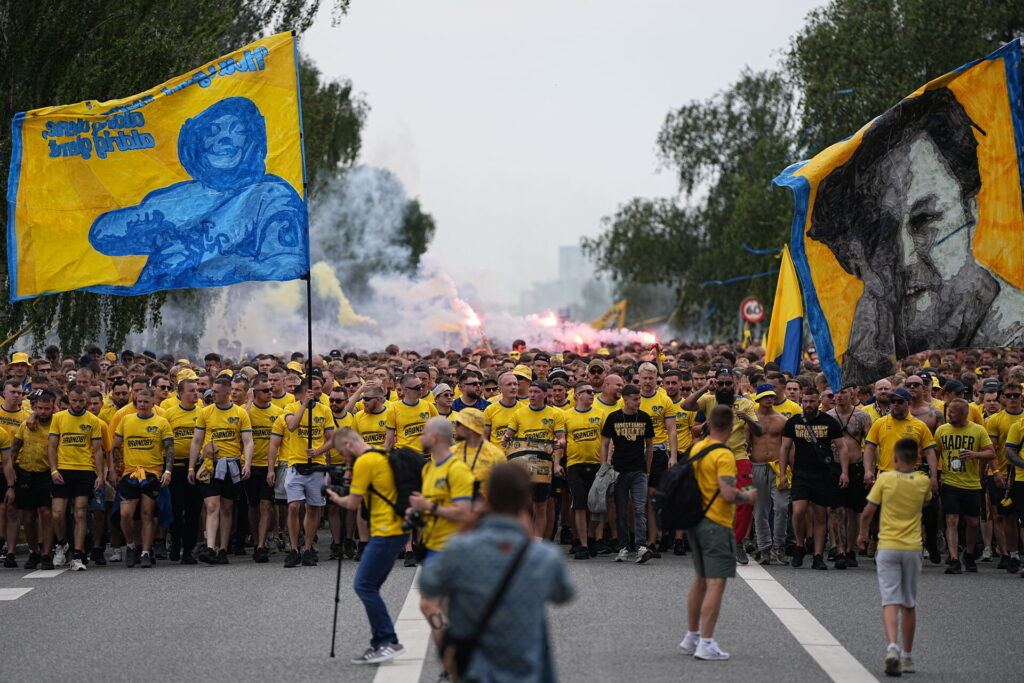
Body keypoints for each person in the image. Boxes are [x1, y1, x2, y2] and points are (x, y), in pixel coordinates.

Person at [418, 463, 575, 682]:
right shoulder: (542, 556)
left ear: (488, 496)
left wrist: (466, 529)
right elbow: (564, 593)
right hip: (527, 670)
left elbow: (428, 583)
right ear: (526, 499)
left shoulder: (461, 548)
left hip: (475, 670)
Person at [327, 427, 410, 665]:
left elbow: (353, 503)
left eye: (343, 454)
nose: (344, 459)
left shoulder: (364, 462)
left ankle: (388, 641)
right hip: (397, 530)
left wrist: (334, 496)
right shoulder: (379, 455)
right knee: (370, 585)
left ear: (349, 446)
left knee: (364, 585)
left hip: (386, 531)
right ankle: (379, 643)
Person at [680, 405, 757, 661]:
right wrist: (748, 496)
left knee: (700, 579)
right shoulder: (723, 455)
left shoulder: (697, 448)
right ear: (732, 427)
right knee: (716, 583)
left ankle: (691, 636)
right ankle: (706, 642)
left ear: (709, 424)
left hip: (696, 520)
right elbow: (727, 493)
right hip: (717, 522)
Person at [858, 438, 933, 677]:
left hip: (888, 545)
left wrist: (862, 534)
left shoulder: (885, 479)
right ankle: (908, 657)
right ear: (918, 459)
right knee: (909, 603)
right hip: (912, 547)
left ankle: (892, 647)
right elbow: (926, 502)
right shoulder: (923, 482)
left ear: (895, 458)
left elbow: (868, 511)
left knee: (890, 599)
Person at [683, 368, 761, 559]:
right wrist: (704, 388)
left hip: (740, 458)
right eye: (721, 383)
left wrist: (748, 419)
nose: (725, 387)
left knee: (746, 500)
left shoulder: (745, 403)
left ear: (735, 384)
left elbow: (759, 431)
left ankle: (737, 542)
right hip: (714, 459)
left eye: (728, 383)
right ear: (715, 384)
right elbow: (686, 405)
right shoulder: (709, 400)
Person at [268, 375, 335, 568]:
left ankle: (307, 548)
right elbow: (291, 425)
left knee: (314, 508)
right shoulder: (290, 408)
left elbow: (331, 438)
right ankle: (294, 548)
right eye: (314, 388)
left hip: (317, 465)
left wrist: (318, 450)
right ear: (306, 391)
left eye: (320, 388)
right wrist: (304, 405)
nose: (319, 391)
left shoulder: (324, 410)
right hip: (296, 465)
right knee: (294, 506)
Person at [187, 376, 254, 565]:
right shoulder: (205, 412)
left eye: (216, 392)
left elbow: (248, 441)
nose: (212, 395)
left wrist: (246, 463)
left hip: (231, 465)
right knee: (211, 505)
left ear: (226, 392)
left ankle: (223, 548)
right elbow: (197, 440)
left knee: (227, 507)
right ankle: (210, 547)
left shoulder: (240, 413)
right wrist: (192, 467)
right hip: (209, 464)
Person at [779, 387, 848, 570]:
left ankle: (818, 555)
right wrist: (782, 474)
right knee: (799, 510)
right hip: (801, 473)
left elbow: (842, 447)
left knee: (819, 515)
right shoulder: (793, 422)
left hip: (823, 474)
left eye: (812, 401)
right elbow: (784, 448)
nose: (809, 405)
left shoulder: (829, 422)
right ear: (802, 401)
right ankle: (800, 545)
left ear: (818, 401)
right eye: (806, 401)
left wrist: (844, 471)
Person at [111, 389, 173, 568]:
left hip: (152, 474)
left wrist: (168, 472)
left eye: (146, 401)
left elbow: (169, 449)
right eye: (139, 401)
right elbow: (115, 447)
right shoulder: (126, 420)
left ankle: (146, 551)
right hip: (130, 474)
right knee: (125, 515)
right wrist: (115, 469)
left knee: (147, 514)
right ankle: (131, 545)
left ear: (153, 402)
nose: (142, 404)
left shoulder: (161, 422)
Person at [48, 384, 106, 570]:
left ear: (86, 401)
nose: (78, 404)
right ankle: (62, 543)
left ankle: (79, 554)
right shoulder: (58, 418)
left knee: (81, 512)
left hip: (84, 470)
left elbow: (97, 450)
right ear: (68, 399)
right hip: (63, 470)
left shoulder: (92, 420)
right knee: (57, 514)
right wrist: (54, 470)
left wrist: (99, 475)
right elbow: (52, 446)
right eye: (74, 400)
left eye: (82, 401)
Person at [935, 398, 993, 574]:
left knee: (973, 522)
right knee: (951, 519)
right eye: (948, 411)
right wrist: (933, 477)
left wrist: (975, 454)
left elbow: (991, 452)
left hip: (972, 483)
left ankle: (968, 553)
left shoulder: (978, 430)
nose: (949, 414)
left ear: (963, 414)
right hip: (950, 481)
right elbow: (934, 454)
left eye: (952, 412)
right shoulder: (942, 430)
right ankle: (953, 559)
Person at [503, 381, 566, 537]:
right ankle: (524, 539)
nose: (532, 395)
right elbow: (507, 436)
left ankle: (539, 542)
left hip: (544, 466)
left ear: (545, 394)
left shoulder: (555, 414)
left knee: (541, 506)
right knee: (524, 505)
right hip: (523, 467)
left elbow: (562, 439)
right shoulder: (519, 413)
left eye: (536, 392)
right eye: (530, 392)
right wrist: (505, 439)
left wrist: (559, 443)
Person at [600, 384, 655, 563]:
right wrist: (604, 466)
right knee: (621, 510)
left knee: (639, 509)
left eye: (639, 399)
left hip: (639, 470)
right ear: (625, 399)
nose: (639, 402)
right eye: (635, 399)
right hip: (619, 470)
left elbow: (650, 445)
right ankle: (623, 547)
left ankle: (641, 546)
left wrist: (647, 468)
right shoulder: (614, 417)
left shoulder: (645, 417)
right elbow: (605, 443)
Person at [4, 389, 56, 569]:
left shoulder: (58, 423)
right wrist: (11, 472)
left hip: (47, 474)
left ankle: (47, 554)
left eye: (47, 409)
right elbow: (14, 450)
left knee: (47, 514)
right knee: (27, 517)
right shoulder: (26, 424)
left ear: (53, 408)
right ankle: (34, 551)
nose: (43, 412)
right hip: (26, 472)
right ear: (35, 407)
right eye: (40, 408)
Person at [828, 386, 873, 568]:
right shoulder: (828, 416)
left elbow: (870, 446)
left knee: (853, 512)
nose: (839, 396)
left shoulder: (862, 416)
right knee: (835, 510)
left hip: (856, 466)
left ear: (852, 394)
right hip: (834, 466)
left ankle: (849, 548)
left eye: (843, 392)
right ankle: (838, 548)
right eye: (836, 393)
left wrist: (870, 470)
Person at [563, 380, 606, 559]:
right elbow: (561, 441)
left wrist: (606, 465)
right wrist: (558, 463)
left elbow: (606, 442)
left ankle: (590, 537)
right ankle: (582, 544)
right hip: (574, 465)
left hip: (596, 465)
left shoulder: (601, 414)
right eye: (587, 391)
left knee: (595, 506)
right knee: (579, 505)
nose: (591, 394)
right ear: (577, 395)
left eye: (592, 391)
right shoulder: (566, 416)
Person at [748, 384, 789, 565]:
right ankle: (764, 548)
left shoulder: (781, 419)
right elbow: (746, 444)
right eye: (765, 396)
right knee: (760, 510)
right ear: (758, 399)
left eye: (771, 395)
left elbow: (788, 447)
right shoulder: (751, 419)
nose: (769, 399)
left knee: (781, 507)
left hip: (778, 466)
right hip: (756, 466)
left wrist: (788, 470)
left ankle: (778, 547)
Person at [163, 377, 202, 563]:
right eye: (191, 390)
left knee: (194, 510)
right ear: (180, 394)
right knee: (177, 509)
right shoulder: (169, 414)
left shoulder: (202, 413)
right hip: (176, 467)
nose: (196, 393)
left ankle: (188, 549)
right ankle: (175, 542)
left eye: (197, 390)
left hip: (196, 467)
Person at [246, 374, 283, 563]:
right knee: (253, 506)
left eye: (271, 389)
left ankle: (261, 544)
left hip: (270, 465)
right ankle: (255, 537)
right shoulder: (247, 411)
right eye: (266, 390)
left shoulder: (277, 411)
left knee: (266, 504)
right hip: (250, 465)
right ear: (255, 392)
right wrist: (249, 402)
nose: (270, 392)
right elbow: (240, 425)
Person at [451, 408, 506, 502]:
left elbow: (503, 489)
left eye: (458, 424)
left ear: (470, 429)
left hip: (485, 510)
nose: (455, 427)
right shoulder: (452, 452)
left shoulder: (496, 455)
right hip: (456, 506)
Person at [384, 374, 439, 454]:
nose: (420, 389)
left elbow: (439, 432)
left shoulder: (429, 406)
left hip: (426, 456)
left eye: (421, 386)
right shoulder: (393, 409)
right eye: (416, 388)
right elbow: (389, 440)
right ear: (405, 390)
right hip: (405, 456)